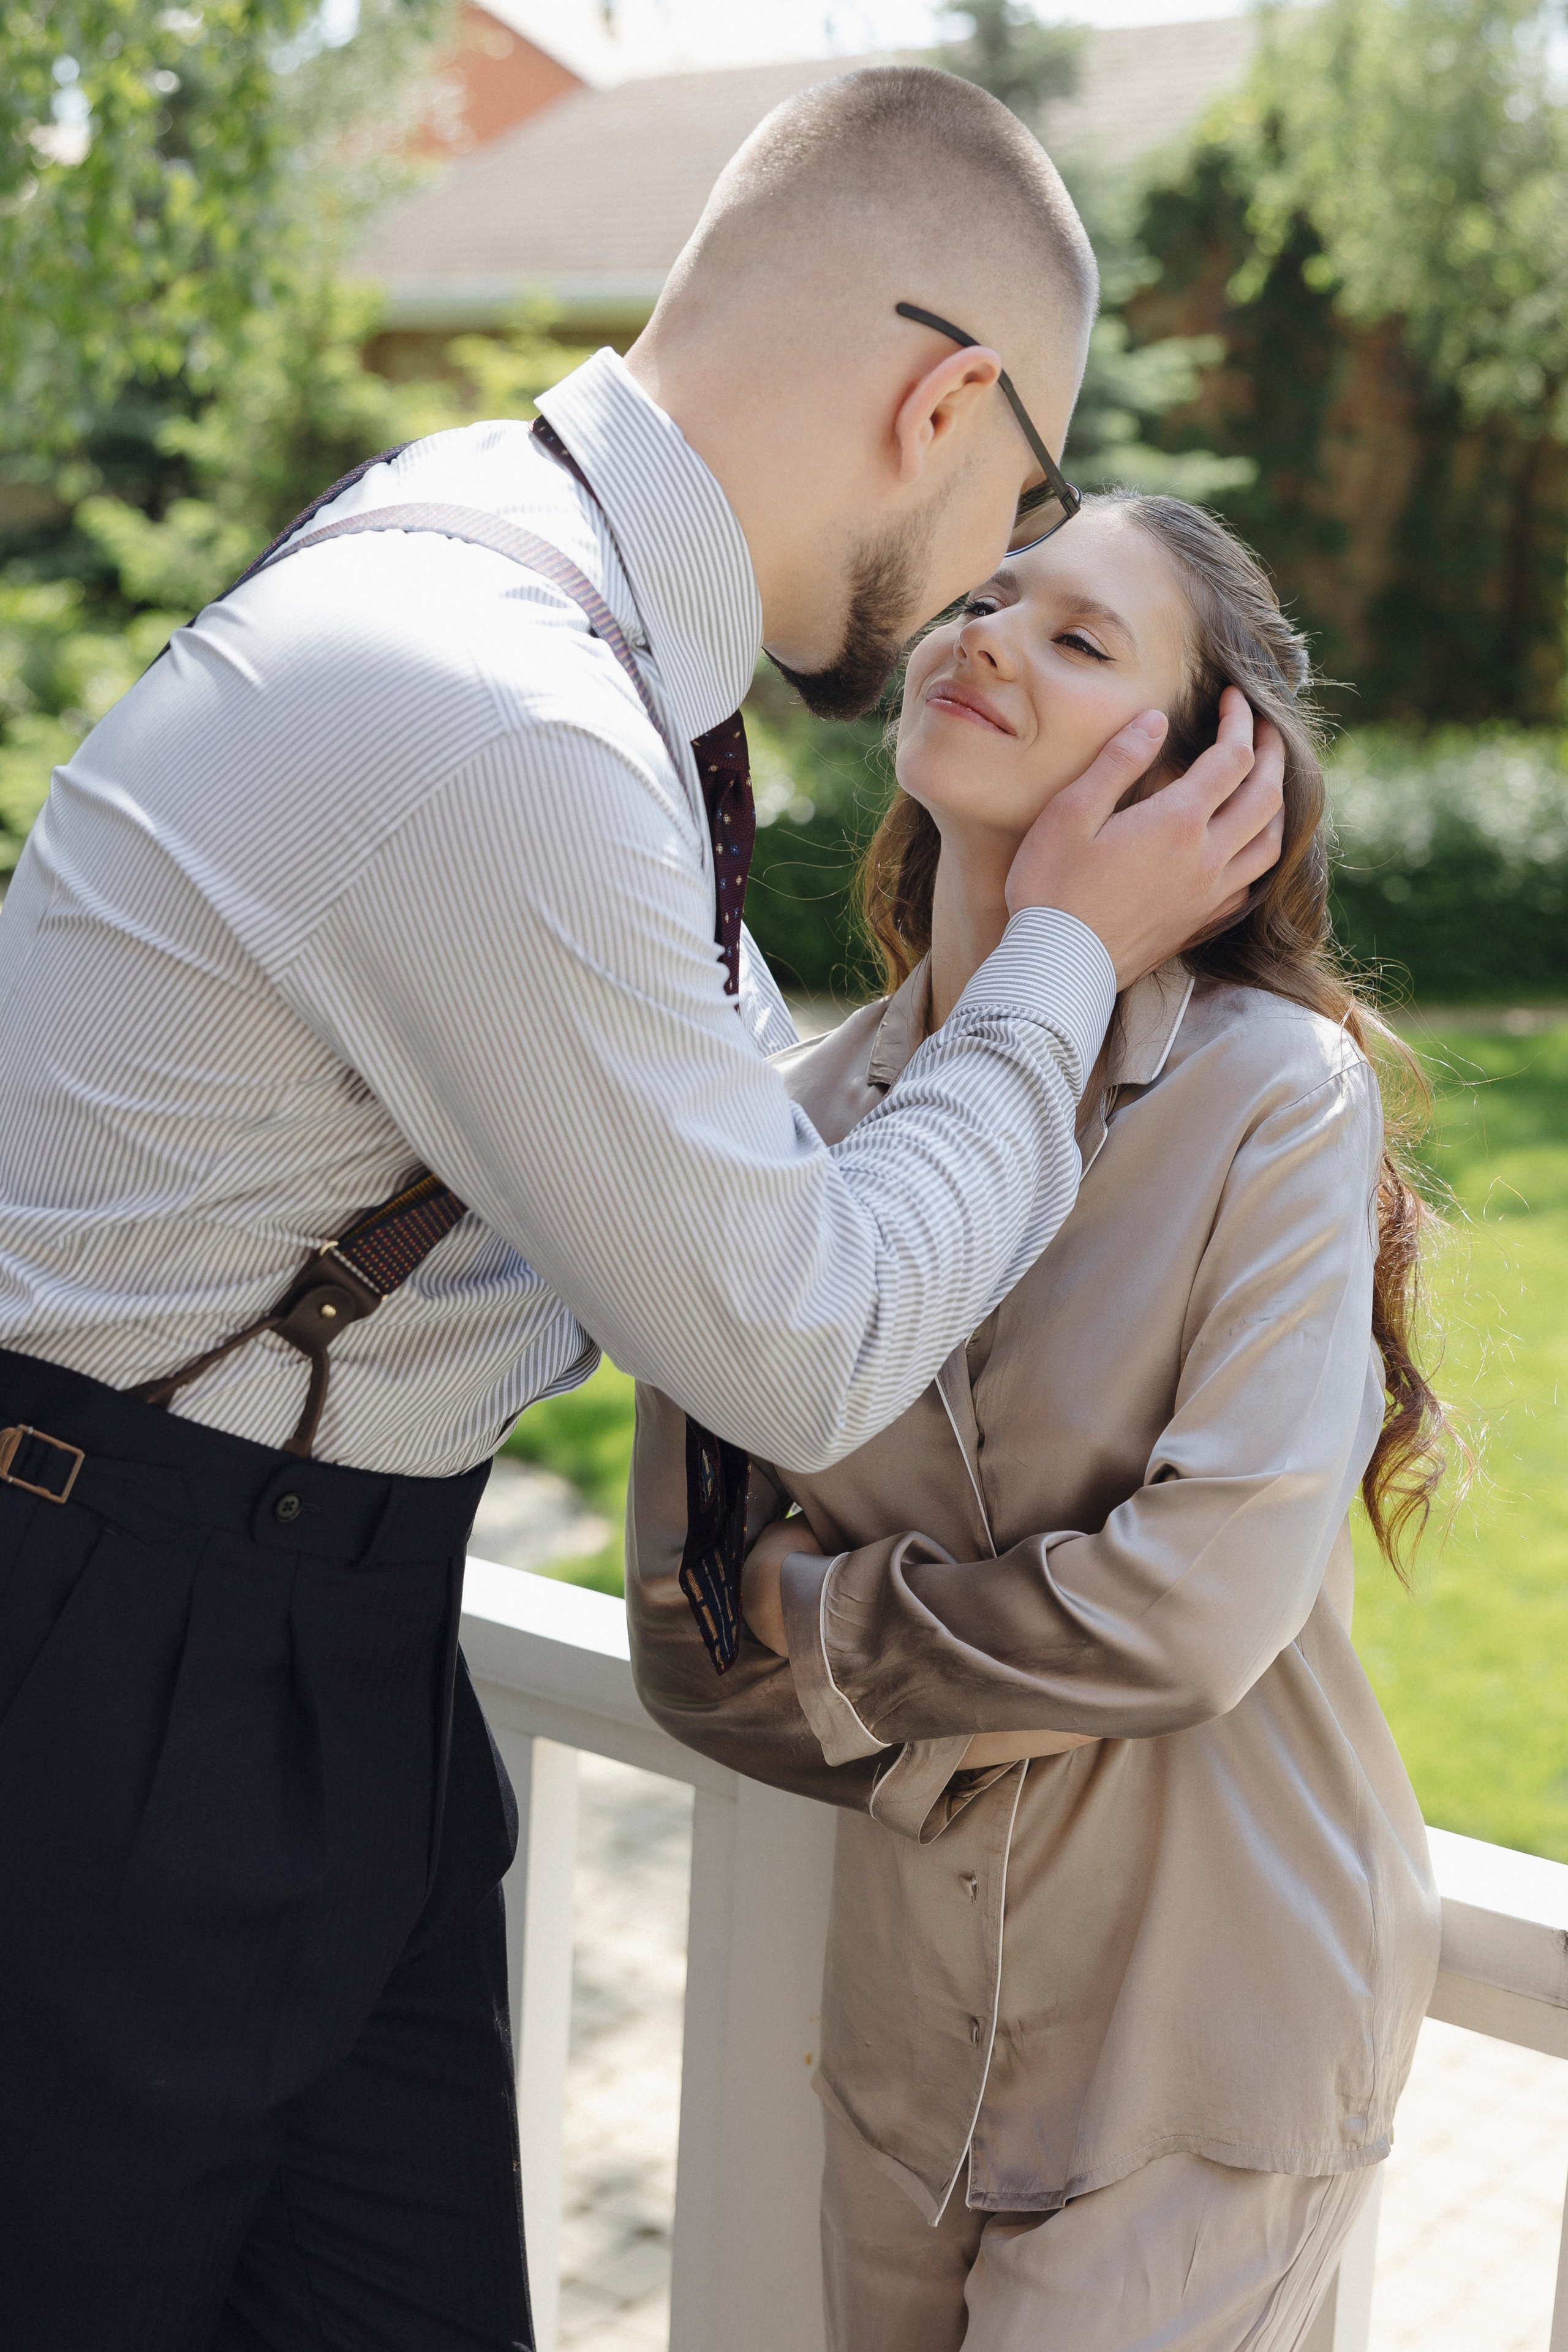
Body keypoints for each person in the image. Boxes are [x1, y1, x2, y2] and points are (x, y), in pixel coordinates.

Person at [0, 66, 1283, 2352]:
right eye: (1029, 492)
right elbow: (788, 1320)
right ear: (949, 397)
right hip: (116, 1659)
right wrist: (1073, 949)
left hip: (308, 1643)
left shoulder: (553, 606)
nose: (997, 570)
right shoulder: (507, 705)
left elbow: (729, 1171)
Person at [627, 491, 1452, 2352]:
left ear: (1204, 778)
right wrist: (924, 1646)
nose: (983, 631)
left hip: (1213, 2046)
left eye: (1080, 639)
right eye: (987, 597)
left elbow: (1197, 1613)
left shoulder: (1271, 1100)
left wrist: (821, 1622)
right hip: (909, 2058)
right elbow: (685, 1642)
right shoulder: (783, 1128)